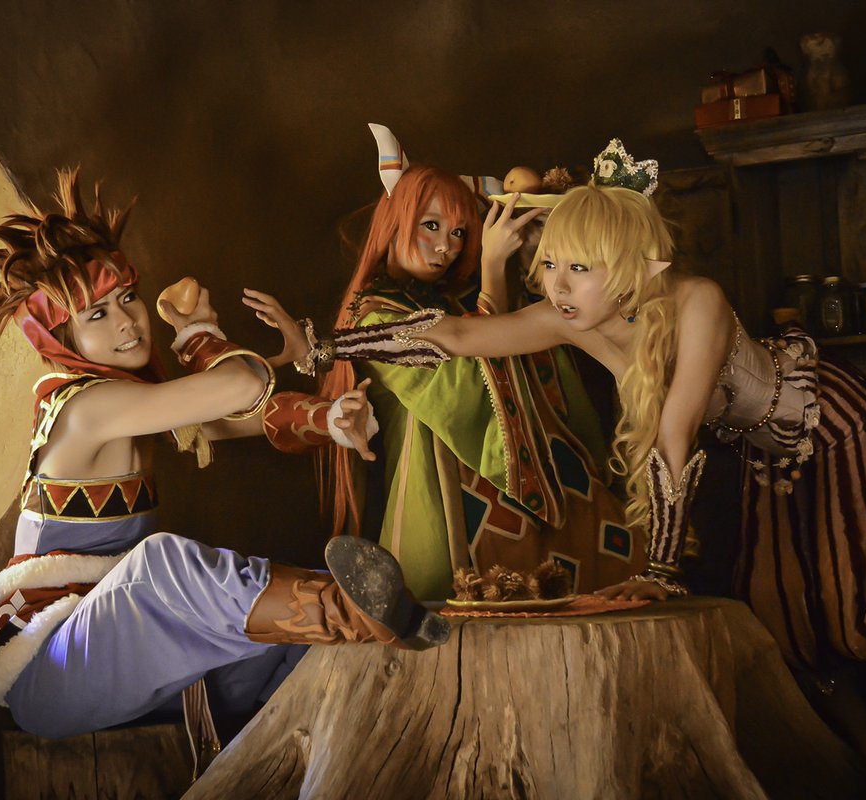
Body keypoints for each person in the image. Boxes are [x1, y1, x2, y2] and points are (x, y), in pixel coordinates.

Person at [264, 139, 866, 673]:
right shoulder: (568, 317)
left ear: (638, 268)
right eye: (551, 265)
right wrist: (324, 349)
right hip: (764, 459)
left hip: (827, 426)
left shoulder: (697, 301)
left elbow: (674, 436)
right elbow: (459, 335)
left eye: (579, 269)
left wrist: (661, 573)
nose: (555, 285)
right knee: (787, 638)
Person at [0, 169, 449, 745]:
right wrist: (197, 334)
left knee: (282, 639)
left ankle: (367, 645)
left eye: (128, 299)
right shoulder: (86, 408)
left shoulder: (130, 404)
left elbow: (237, 417)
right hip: (52, 672)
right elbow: (242, 385)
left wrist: (330, 421)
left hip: (131, 670)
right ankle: (354, 611)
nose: (127, 322)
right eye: (98, 315)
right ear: (60, 340)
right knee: (159, 564)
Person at [246, 128, 647, 601]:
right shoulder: (374, 313)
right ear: (395, 221)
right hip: (444, 489)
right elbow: (465, 392)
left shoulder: (453, 297)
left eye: (458, 233)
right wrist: (493, 271)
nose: (446, 247)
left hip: (528, 486)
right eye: (431, 226)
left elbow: (514, 348)